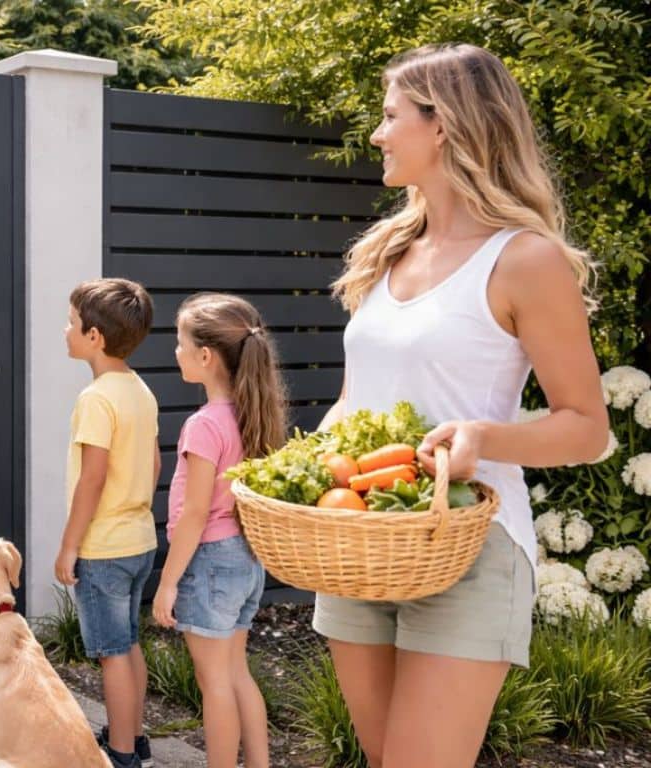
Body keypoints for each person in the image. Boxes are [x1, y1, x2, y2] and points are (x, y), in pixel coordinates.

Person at [312, 43, 609, 768]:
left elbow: (587, 428)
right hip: (365, 539)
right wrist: (314, 453)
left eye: (390, 117)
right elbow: (360, 397)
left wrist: (484, 435)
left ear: (441, 125)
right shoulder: (389, 252)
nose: (378, 135)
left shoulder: (523, 260)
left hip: (471, 545)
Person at [150, 293, 279, 768]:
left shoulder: (205, 425)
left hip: (208, 562)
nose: (175, 352)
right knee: (237, 673)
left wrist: (167, 584)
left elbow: (195, 513)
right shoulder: (252, 416)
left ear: (205, 357)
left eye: (180, 343)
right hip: (245, 558)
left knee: (215, 683)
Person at [57, 278, 159, 768]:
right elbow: (154, 465)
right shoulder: (139, 389)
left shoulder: (96, 399)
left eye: (72, 323)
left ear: (94, 337)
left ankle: (120, 755)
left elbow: (92, 479)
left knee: (111, 654)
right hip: (140, 540)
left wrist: (69, 546)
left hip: (104, 548)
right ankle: (133, 736)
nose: (66, 329)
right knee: (129, 645)